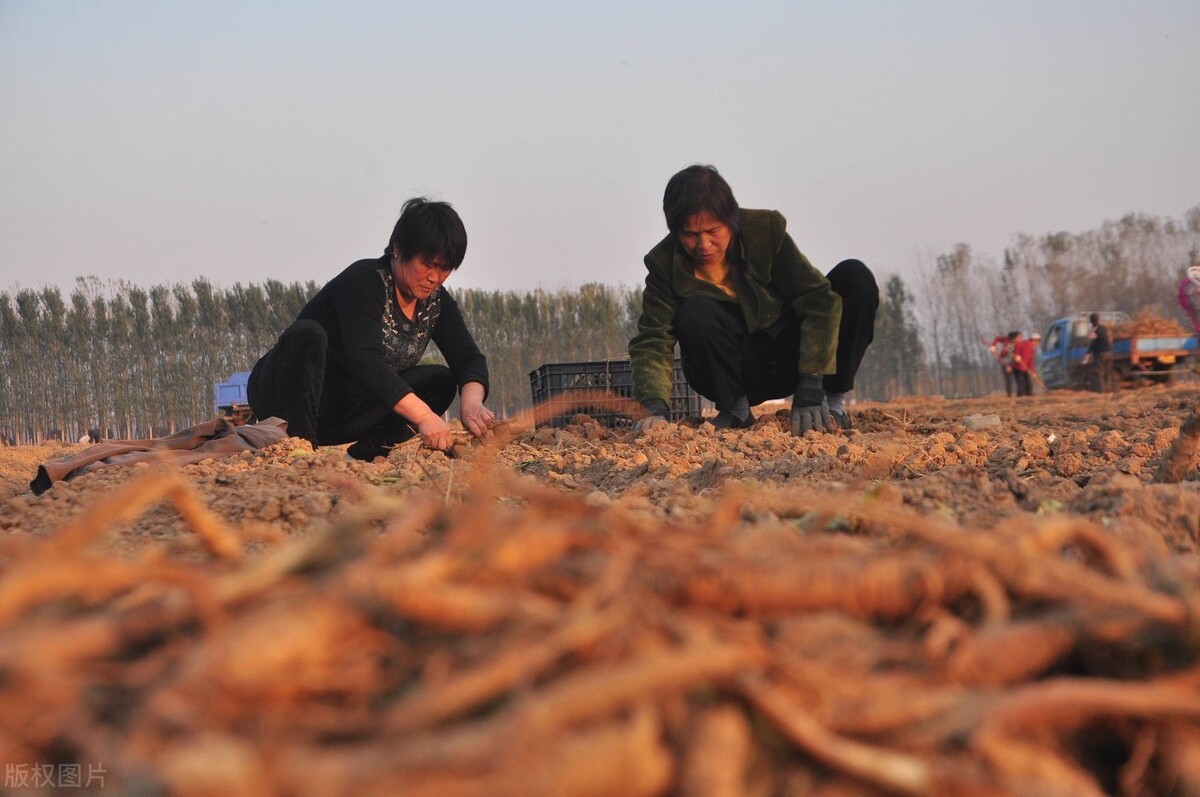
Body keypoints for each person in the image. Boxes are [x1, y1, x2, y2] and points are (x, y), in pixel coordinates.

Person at [628, 164, 878, 434]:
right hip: (734, 373)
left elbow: (817, 300)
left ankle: (833, 405)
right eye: (690, 235)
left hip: (791, 357)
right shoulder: (664, 264)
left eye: (713, 231)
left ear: (731, 220)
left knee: (855, 277)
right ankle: (736, 411)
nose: (703, 245)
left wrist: (811, 383)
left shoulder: (764, 232)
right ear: (675, 232)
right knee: (694, 312)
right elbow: (653, 340)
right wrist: (653, 406)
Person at [247, 197, 495, 460]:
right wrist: (425, 418)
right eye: (427, 264)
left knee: (441, 381)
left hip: (346, 410)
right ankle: (302, 449)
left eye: (444, 268)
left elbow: (467, 358)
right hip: (287, 398)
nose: (435, 277)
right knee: (308, 334)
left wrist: (471, 404)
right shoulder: (365, 282)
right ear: (398, 249)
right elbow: (365, 360)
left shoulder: (435, 302)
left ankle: (367, 455)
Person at [1081, 312, 1115, 393]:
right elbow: (1110, 339)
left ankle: (1102, 392)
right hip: (1109, 353)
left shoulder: (1095, 330)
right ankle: (1110, 390)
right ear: (1098, 319)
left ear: (1091, 321)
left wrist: (1087, 354)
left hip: (1101, 354)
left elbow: (1092, 342)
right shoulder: (1105, 328)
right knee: (1108, 373)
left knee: (1100, 374)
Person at [988, 331, 1019, 397]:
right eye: (1018, 337)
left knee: (1018, 378)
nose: (1020, 339)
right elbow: (997, 339)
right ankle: (1009, 395)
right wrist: (993, 346)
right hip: (1006, 362)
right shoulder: (1007, 341)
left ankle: (1021, 394)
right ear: (1013, 338)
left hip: (1015, 363)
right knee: (1009, 379)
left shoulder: (1018, 344)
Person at [1011, 331, 1039, 397]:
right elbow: (1017, 347)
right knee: (1021, 384)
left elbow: (1030, 362)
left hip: (1025, 369)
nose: (1037, 343)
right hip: (1017, 367)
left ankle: (1029, 396)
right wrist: (1017, 355)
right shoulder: (1023, 343)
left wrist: (1033, 372)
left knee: (1029, 384)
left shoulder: (1032, 350)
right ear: (1033, 340)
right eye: (1037, 341)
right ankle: (1021, 398)